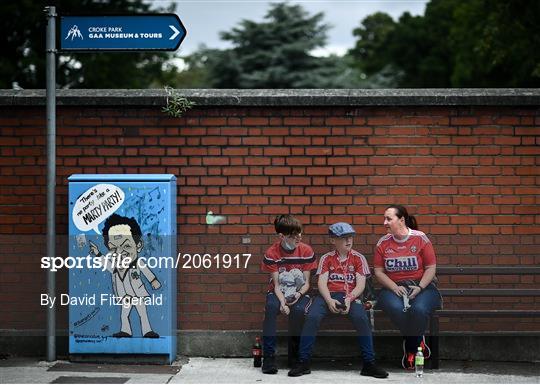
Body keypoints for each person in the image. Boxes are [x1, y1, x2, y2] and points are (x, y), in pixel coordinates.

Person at [288, 222, 389, 378]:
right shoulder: (326, 259)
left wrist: (349, 299)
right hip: (327, 295)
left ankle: (369, 364)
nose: (348, 241)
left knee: (361, 318)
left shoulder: (358, 258)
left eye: (350, 237)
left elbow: (361, 284)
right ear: (333, 240)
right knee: (312, 317)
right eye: (343, 238)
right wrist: (329, 300)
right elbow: (322, 283)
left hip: (350, 295)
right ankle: (304, 362)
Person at [373, 205, 442, 370]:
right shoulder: (383, 243)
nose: (385, 223)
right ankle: (419, 344)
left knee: (418, 310)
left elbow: (431, 268)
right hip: (393, 289)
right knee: (397, 308)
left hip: (423, 287)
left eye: (389, 219)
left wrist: (420, 287)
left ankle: (411, 349)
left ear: (401, 220)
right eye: (384, 219)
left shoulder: (420, 238)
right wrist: (394, 287)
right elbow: (379, 271)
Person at [260, 215, 317, 374]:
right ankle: (269, 357)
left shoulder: (306, 250)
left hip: (299, 291)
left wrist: (297, 295)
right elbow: (276, 285)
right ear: (282, 236)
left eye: (300, 233)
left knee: (298, 311)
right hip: (278, 292)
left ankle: (295, 355)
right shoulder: (272, 253)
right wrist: (283, 303)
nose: (299, 237)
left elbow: (307, 283)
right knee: (271, 307)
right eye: (293, 235)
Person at [89, 213, 161, 338]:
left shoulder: (138, 262)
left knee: (142, 312)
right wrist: (98, 254)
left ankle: (147, 331)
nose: (120, 252)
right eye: (113, 248)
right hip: (125, 296)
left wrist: (153, 280)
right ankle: (126, 330)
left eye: (126, 246)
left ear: (138, 246)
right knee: (124, 314)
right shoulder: (116, 266)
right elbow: (107, 265)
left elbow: (146, 271)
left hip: (137, 294)